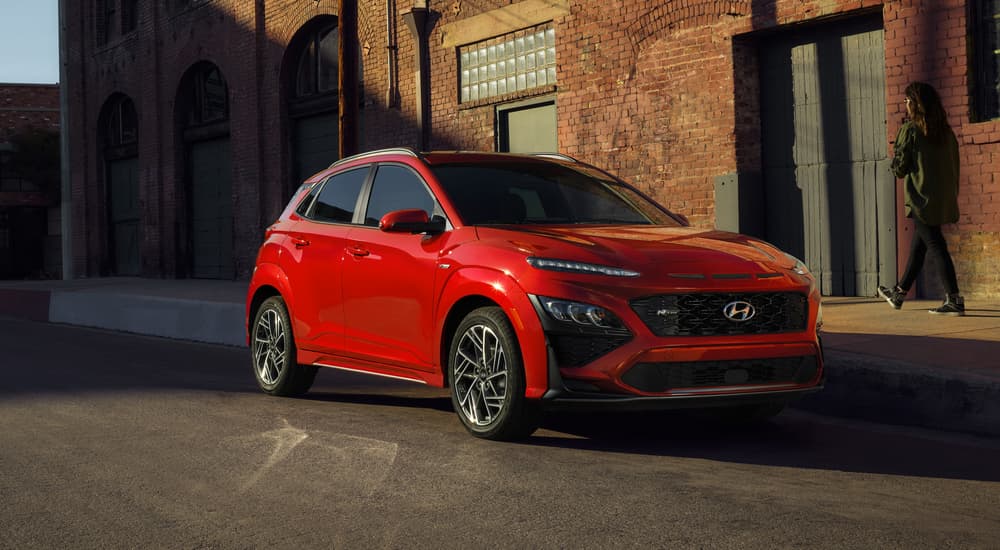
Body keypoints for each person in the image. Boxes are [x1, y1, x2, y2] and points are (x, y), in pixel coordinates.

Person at [877, 81, 964, 316]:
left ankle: (954, 299)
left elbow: (900, 169)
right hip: (941, 198)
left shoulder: (911, 130)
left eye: (907, 101)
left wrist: (897, 155)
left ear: (915, 104)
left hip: (920, 198)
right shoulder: (946, 132)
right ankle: (899, 292)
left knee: (936, 246)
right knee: (920, 246)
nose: (905, 105)